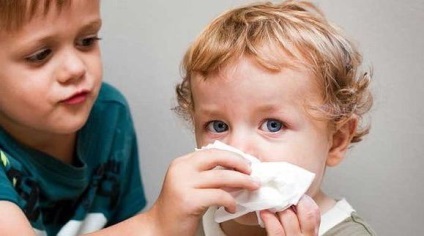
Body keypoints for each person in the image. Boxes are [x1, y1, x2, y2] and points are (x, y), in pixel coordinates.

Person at [174, 0, 376, 235]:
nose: (238, 150)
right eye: (218, 126)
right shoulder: (187, 222)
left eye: (273, 125)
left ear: (337, 140)